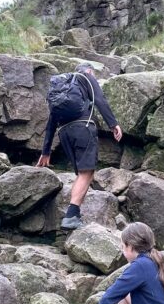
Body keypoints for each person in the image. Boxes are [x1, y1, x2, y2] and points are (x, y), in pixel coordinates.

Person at [37, 63, 122, 230]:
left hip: (64, 132)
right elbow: (99, 99)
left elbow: (52, 119)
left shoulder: (61, 87)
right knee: (86, 173)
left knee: (83, 173)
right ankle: (71, 215)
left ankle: (73, 214)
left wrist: (46, 151)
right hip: (83, 127)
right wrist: (113, 124)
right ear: (89, 70)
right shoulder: (87, 77)